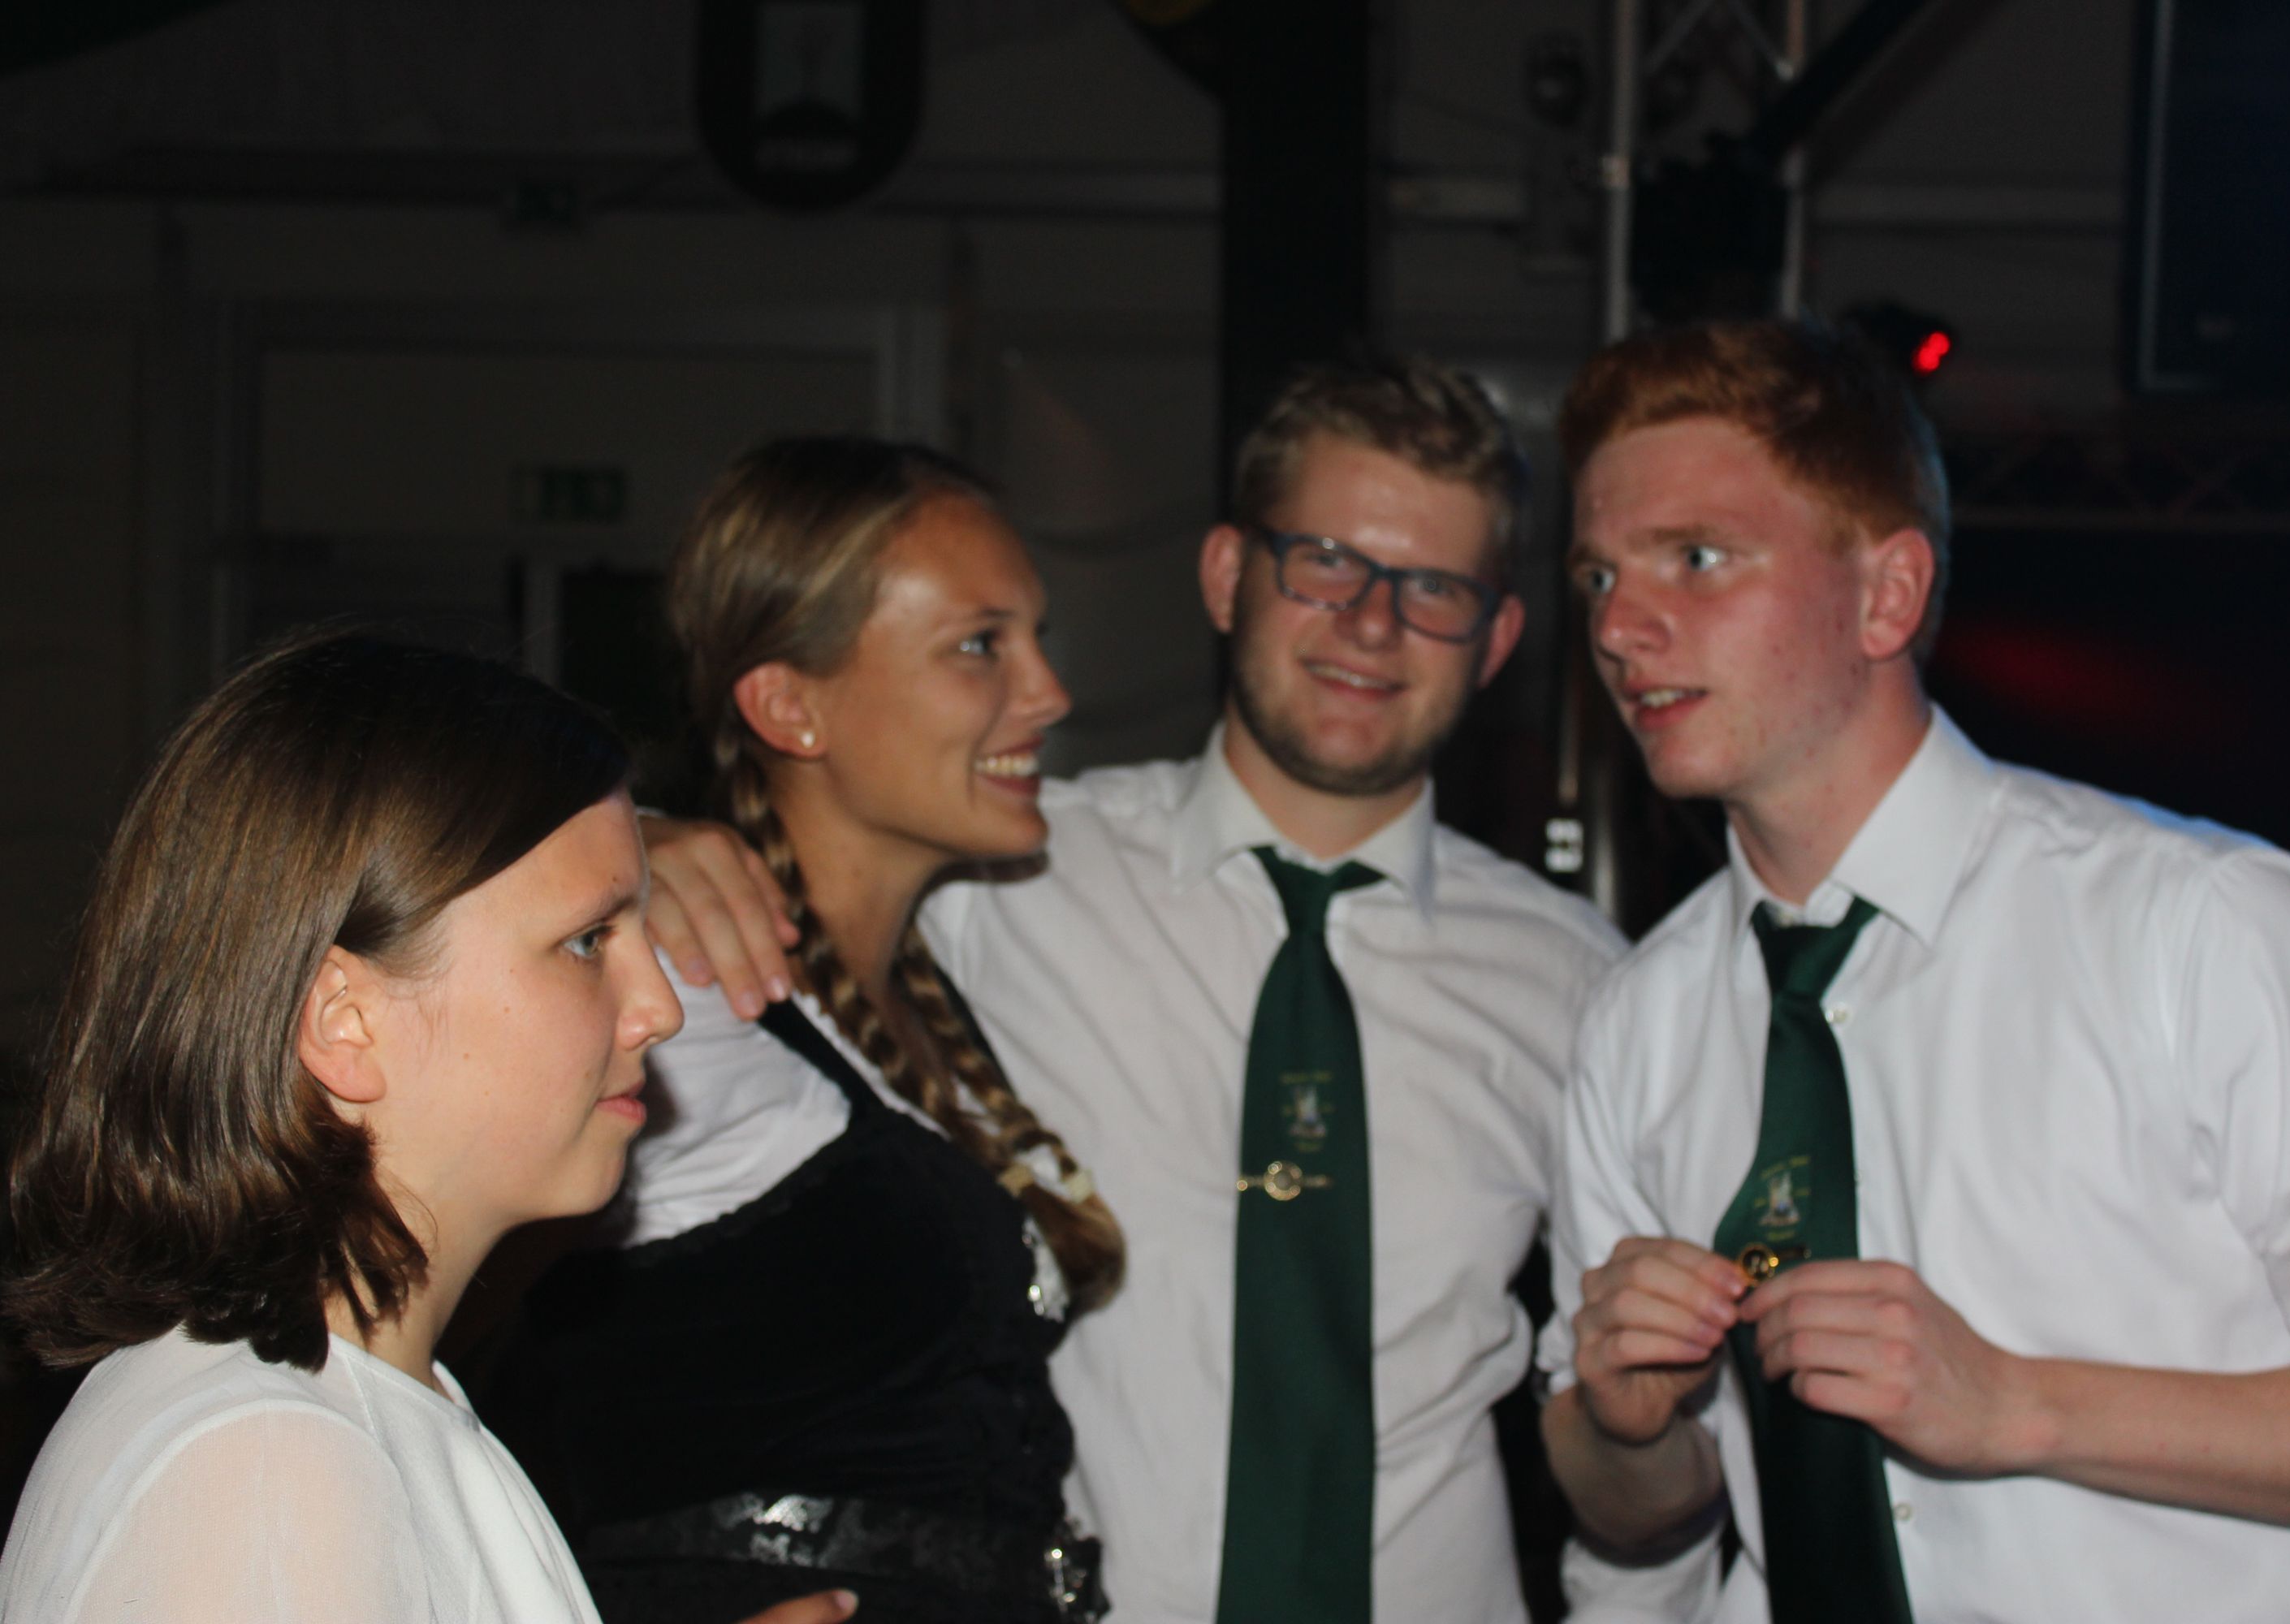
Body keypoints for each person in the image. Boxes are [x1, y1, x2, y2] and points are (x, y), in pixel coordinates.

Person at [646, 359, 1627, 1623]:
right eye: (1325, 562)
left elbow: (1633, 1412)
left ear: (1497, 640)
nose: (1372, 624)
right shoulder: (1004, 870)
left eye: (1434, 588)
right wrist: (637, 846)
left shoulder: (1583, 980)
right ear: (1226, 576)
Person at [1539, 317, 2290, 1623]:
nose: (1623, 627)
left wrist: (2021, 1404)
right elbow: (1641, 1520)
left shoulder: (2196, 928)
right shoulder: (1639, 1021)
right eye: (1597, 576)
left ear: (1886, 595)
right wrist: (1626, 1425)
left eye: (1697, 558)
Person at [0, 635, 855, 1624]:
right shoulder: (269, 1459)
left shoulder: (354, 1408)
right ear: (346, 1021)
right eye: (587, 940)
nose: (659, 1008)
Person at [477, 438, 1123, 1624]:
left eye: (1035, 637)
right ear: (790, 706)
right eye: (980, 645)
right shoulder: (678, 1002)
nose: (1048, 692)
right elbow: (395, 1313)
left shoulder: (929, 997)